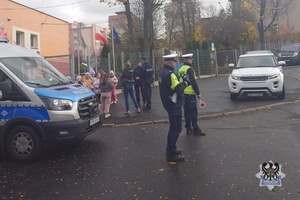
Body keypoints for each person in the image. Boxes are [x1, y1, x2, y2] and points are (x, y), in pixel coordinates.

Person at [159, 54, 189, 162]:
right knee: (175, 128)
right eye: (174, 62)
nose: (175, 63)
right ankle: (170, 152)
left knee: (176, 128)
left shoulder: (163, 72)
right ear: (170, 62)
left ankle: (173, 147)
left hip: (168, 103)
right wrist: (185, 82)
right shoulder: (170, 74)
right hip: (174, 104)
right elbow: (178, 88)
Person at [178, 53, 206, 136]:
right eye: (191, 59)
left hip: (183, 93)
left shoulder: (180, 69)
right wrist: (198, 93)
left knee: (186, 112)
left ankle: (188, 128)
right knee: (193, 112)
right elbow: (193, 82)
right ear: (187, 60)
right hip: (190, 94)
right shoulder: (190, 69)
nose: (192, 60)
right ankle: (196, 128)